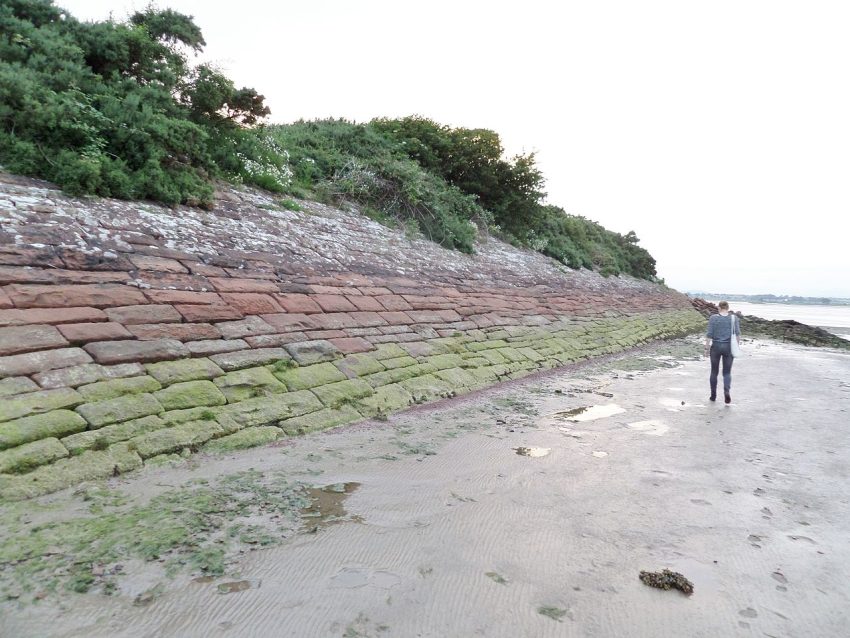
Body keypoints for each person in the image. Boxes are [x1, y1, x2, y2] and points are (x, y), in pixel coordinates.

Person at [704, 301, 741, 403]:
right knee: (727, 372)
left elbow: (709, 335)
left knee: (714, 372)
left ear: (719, 308)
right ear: (728, 308)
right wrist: (736, 347)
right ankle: (726, 392)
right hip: (728, 347)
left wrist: (706, 349)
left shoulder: (713, 318)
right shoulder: (734, 318)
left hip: (715, 347)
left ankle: (713, 396)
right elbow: (737, 335)